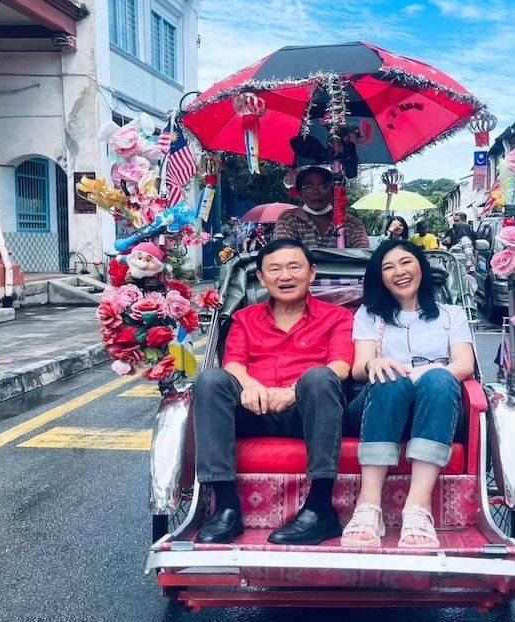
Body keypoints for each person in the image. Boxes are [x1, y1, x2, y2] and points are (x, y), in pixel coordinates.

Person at [192, 238, 354, 545]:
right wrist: (252, 386)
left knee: (320, 377)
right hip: (255, 408)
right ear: (263, 278)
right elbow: (234, 364)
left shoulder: (338, 317)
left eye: (294, 267)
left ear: (312, 273)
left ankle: (320, 509)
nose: (285, 276)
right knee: (210, 380)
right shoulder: (245, 318)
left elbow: (341, 367)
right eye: (275, 269)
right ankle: (225, 508)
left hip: (310, 413)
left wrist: (293, 391)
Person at [341, 239, 475, 548]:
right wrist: (376, 362)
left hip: (435, 407)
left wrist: (422, 374)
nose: (399, 272)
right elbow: (359, 367)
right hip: (378, 405)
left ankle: (417, 508)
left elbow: (464, 364)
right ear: (380, 278)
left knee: (440, 379)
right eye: (388, 267)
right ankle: (369, 505)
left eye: (406, 263)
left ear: (421, 268)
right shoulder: (370, 315)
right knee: (389, 378)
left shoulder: (450, 315)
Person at [274, 166, 370, 248]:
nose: (316, 192)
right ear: (300, 193)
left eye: (324, 186)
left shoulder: (351, 223)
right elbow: (283, 253)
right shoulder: (289, 219)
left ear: (333, 192)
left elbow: (364, 254)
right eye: (308, 187)